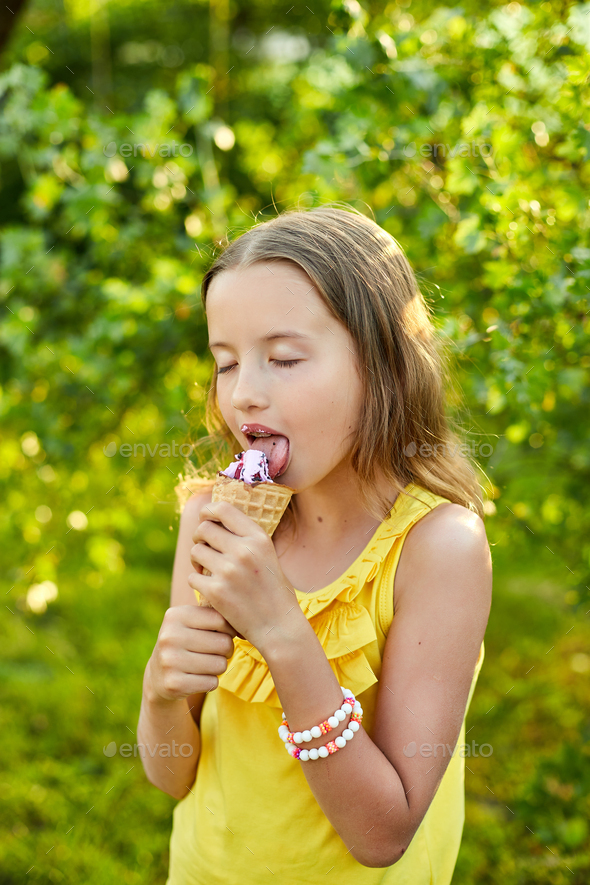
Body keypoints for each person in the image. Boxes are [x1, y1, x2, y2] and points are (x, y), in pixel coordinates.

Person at [137, 203, 492, 884]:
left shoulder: (437, 548)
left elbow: (384, 831)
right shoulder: (213, 518)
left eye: (285, 358)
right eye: (225, 362)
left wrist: (279, 628)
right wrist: (160, 690)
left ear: (382, 361)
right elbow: (170, 777)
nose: (244, 394)